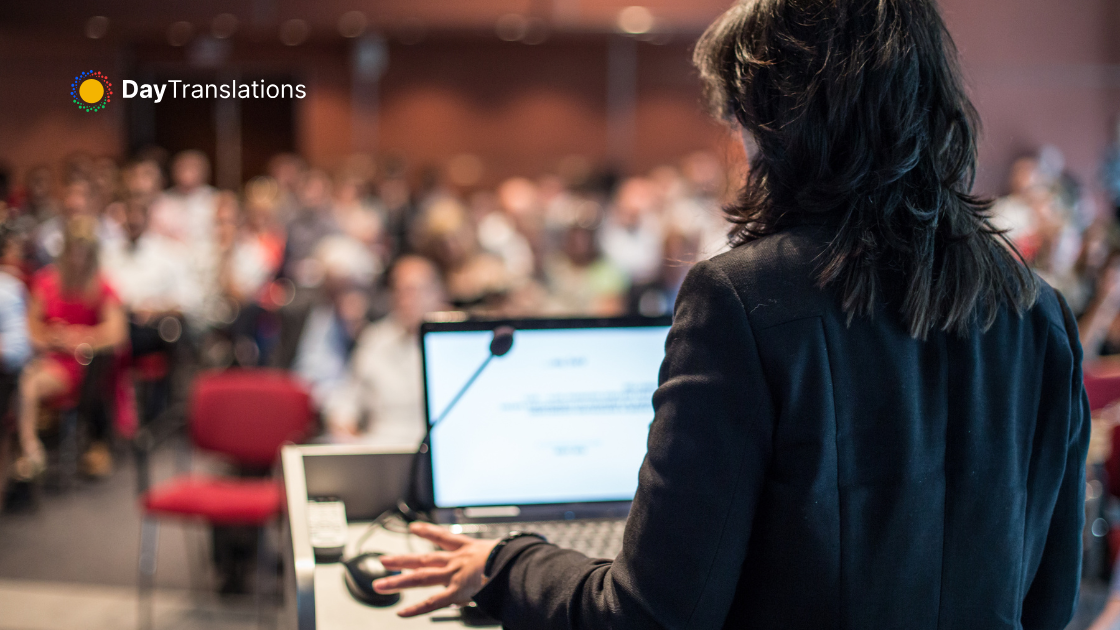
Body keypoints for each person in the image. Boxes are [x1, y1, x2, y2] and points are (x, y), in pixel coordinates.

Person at [372, 1, 1089, 628]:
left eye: (741, 121)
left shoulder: (740, 302)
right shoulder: (1040, 314)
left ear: (782, 128)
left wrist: (505, 564)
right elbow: (1052, 602)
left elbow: (651, 616)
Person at [17, 216, 127, 479]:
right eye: (73, 252)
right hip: (49, 356)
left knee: (29, 383)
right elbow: (32, 328)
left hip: (81, 363)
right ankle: (29, 446)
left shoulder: (101, 286)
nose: (78, 259)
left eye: (83, 253)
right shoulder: (46, 282)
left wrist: (82, 337)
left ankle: (30, 450)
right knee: (25, 380)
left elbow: (116, 333)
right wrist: (53, 337)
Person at [324, 255, 447, 446]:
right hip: (380, 446)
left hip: (436, 446)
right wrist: (342, 422)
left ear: (437, 293)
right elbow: (347, 397)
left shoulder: (454, 342)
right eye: (399, 291)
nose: (406, 299)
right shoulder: (374, 339)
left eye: (414, 291)